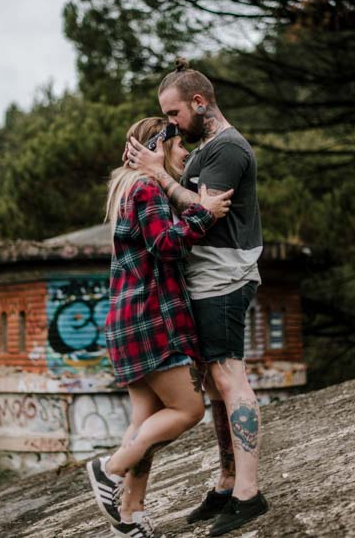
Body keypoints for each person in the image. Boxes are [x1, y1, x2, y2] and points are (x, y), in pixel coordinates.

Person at [125, 58, 268, 537]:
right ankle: (228, 481)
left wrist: (159, 176)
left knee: (230, 378)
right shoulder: (206, 148)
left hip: (223, 280)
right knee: (213, 386)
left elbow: (209, 209)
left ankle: (248, 494)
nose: (170, 124)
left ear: (199, 103)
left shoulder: (228, 149)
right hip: (205, 281)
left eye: (173, 114)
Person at [87, 116, 234, 538]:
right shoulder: (147, 188)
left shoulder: (127, 189)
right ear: (159, 146)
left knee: (145, 422)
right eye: (178, 146)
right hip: (152, 318)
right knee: (188, 410)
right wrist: (204, 214)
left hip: (128, 320)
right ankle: (109, 469)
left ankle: (129, 513)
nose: (186, 153)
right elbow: (165, 244)